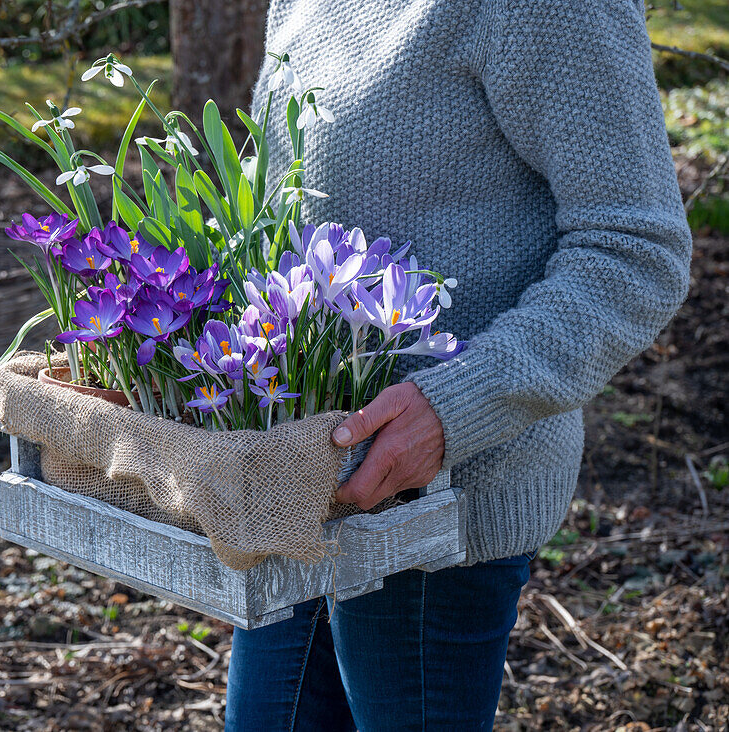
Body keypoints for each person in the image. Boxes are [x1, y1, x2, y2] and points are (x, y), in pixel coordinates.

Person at [226, 1, 693, 730]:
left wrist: (454, 408)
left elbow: (636, 249)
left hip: (441, 519)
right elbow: (278, 196)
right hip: (295, 487)